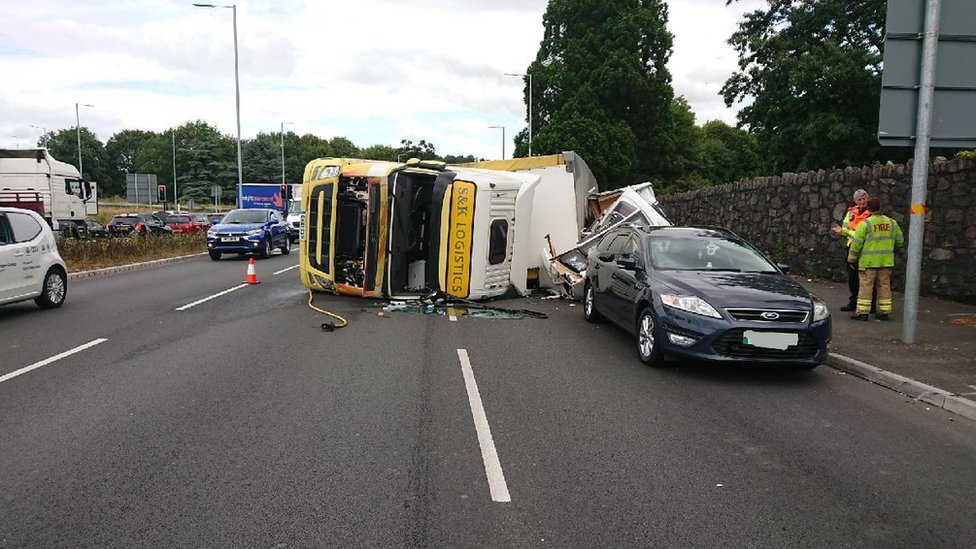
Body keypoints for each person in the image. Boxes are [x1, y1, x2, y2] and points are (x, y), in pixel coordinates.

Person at [847, 197, 904, 321]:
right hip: (886, 261)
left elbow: (856, 244)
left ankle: (863, 313)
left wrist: (852, 259)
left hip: (868, 262)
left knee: (866, 287)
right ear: (880, 207)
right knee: (884, 286)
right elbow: (900, 241)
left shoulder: (865, 224)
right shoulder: (892, 223)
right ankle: (884, 312)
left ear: (868, 208)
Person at [831, 189, 873, 311]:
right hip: (852, 247)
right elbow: (844, 229)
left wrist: (847, 232)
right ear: (855, 201)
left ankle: (869, 304)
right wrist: (844, 232)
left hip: (866, 248)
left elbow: (863, 234)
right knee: (853, 277)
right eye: (859, 200)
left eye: (864, 199)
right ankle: (853, 302)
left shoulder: (872, 213)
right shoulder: (851, 212)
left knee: (868, 277)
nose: (862, 202)